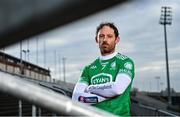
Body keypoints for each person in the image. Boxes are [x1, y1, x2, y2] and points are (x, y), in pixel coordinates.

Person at [72, 22, 135, 116]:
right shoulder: (88, 68)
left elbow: (117, 89)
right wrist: (103, 96)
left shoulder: (125, 62)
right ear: (96, 39)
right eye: (101, 36)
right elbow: (76, 98)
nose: (105, 39)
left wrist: (90, 88)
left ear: (117, 39)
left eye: (109, 36)